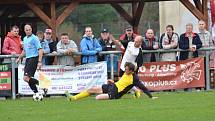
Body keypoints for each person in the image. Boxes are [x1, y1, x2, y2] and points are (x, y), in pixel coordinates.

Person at [65, 62, 158, 100]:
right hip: (113, 86)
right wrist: (113, 81)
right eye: (125, 69)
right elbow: (122, 82)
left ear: (131, 71)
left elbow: (144, 88)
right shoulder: (127, 73)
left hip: (116, 93)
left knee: (97, 98)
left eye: (126, 69)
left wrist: (151, 97)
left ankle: (137, 93)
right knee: (91, 90)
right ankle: (73, 98)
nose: (124, 70)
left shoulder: (135, 79)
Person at [16, 24, 44, 95]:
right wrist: (19, 58)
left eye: (29, 30)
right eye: (27, 30)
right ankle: (36, 93)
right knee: (27, 79)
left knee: (25, 78)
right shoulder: (25, 38)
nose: (28, 31)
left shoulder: (35, 38)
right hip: (28, 59)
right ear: (24, 31)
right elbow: (24, 50)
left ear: (31, 29)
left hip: (33, 58)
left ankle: (42, 86)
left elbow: (40, 50)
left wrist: (39, 62)